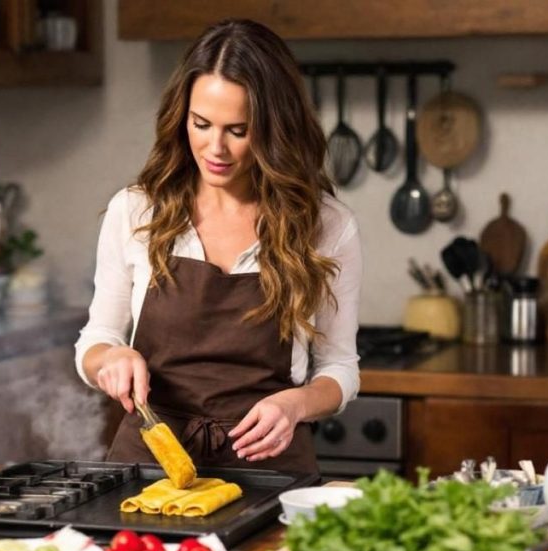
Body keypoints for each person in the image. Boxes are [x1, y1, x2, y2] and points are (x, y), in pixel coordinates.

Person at [75, 19, 361, 473]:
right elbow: (96, 339)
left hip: (269, 468)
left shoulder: (324, 224)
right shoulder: (137, 211)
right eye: (201, 124)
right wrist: (111, 357)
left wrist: (298, 404)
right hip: (151, 466)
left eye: (238, 130)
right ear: (181, 115)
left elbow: (340, 368)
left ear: (274, 129)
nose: (216, 148)